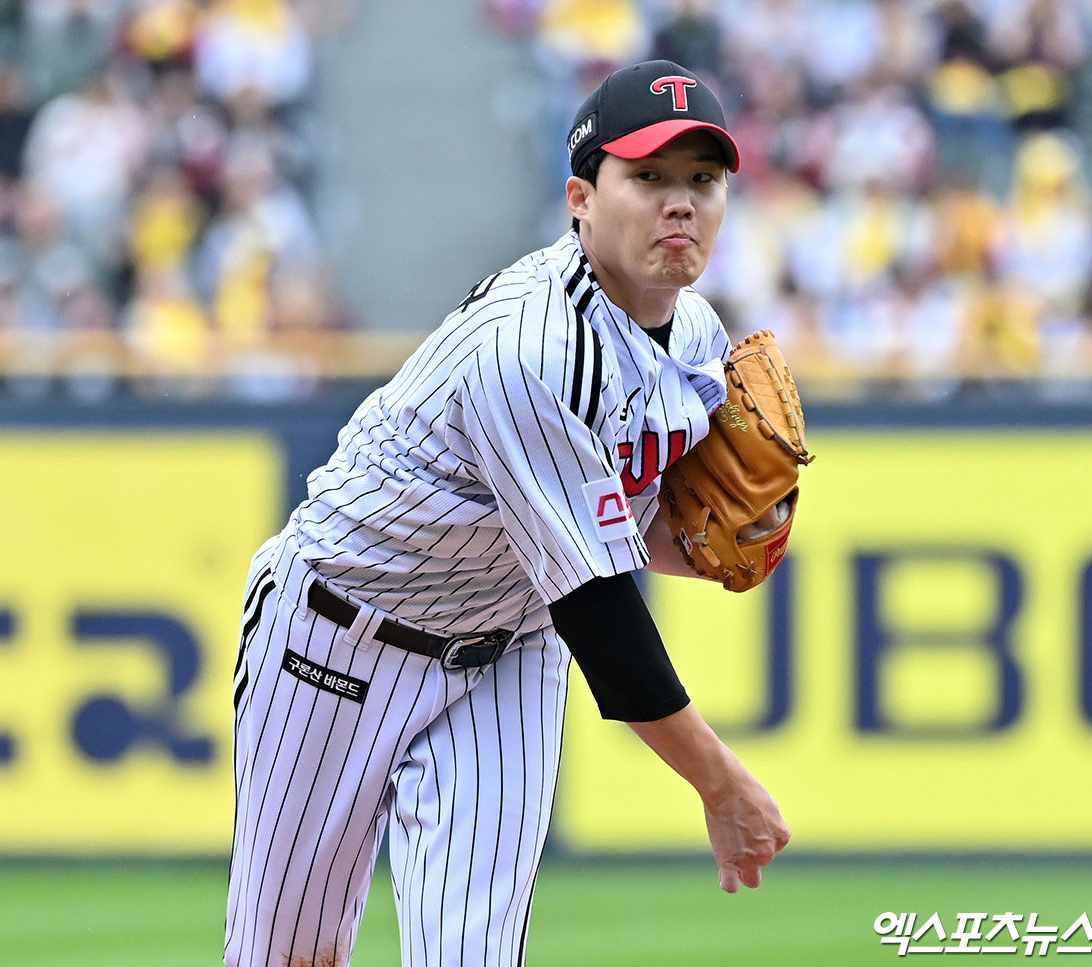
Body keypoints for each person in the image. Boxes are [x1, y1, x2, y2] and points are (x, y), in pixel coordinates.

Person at [224, 59, 791, 967]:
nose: (679, 203)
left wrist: (709, 544)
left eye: (702, 179)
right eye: (647, 176)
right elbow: (600, 613)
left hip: (508, 650)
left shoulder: (696, 340)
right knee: (290, 956)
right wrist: (719, 784)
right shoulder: (528, 345)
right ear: (580, 196)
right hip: (337, 637)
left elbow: (617, 530)